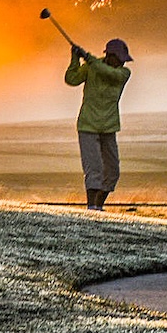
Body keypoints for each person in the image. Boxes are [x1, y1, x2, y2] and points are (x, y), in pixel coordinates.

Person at [65, 38, 133, 210]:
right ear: (110, 56)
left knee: (112, 172)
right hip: (88, 125)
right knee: (94, 169)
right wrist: (75, 58)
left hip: (108, 127)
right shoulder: (91, 66)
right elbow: (71, 79)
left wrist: (87, 56)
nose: (122, 63)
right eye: (119, 58)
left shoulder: (123, 74)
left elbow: (107, 73)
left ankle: (98, 206)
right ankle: (92, 208)